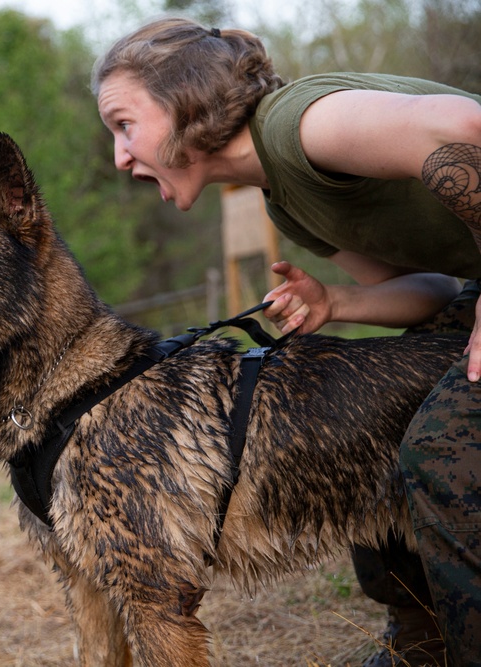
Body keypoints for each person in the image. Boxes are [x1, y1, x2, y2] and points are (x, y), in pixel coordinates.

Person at [92, 16, 481, 666]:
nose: (119, 156)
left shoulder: (300, 124)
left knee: (440, 447)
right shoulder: (285, 199)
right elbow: (437, 290)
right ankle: (424, 642)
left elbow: (469, 129)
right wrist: (339, 301)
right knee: (356, 414)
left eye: (124, 124)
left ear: (185, 99)